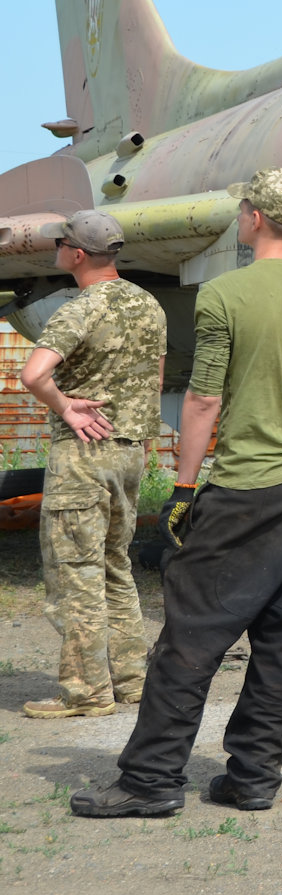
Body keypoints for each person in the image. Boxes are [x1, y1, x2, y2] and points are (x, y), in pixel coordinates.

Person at [71, 169, 282, 819]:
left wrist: (184, 487)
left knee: (190, 641)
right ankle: (254, 778)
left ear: (254, 217)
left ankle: (149, 782)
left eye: (244, 208)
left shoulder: (225, 296)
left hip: (241, 492)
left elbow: (203, 400)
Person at [18, 210, 167, 720]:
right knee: (115, 568)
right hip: (130, 453)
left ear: (77, 254)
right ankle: (130, 680)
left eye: (62, 243)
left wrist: (65, 406)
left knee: (75, 575)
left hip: (82, 455)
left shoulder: (81, 307)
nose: (57, 249)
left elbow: (33, 373)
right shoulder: (148, 305)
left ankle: (86, 692)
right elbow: (157, 375)